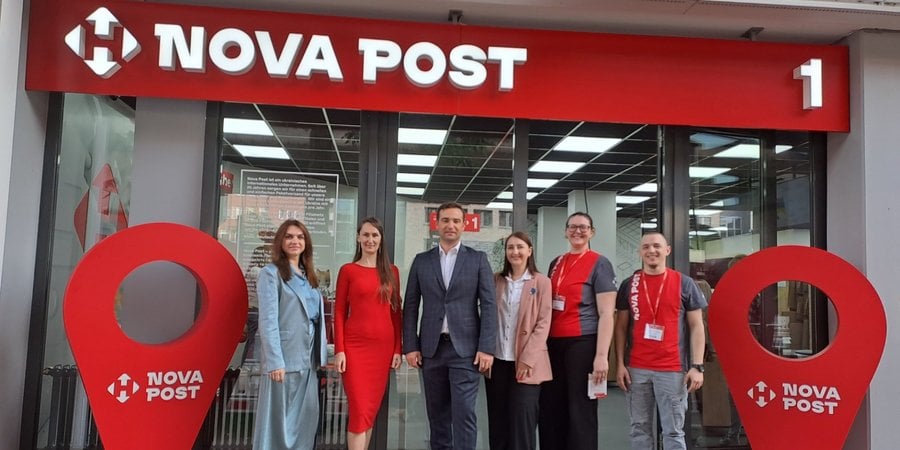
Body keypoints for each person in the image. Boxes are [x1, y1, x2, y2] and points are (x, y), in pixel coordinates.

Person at [403, 202, 498, 450]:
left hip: (466, 351)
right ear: (437, 223)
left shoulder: (478, 260)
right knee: (437, 417)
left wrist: (486, 348)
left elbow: (489, 306)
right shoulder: (421, 261)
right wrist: (410, 346)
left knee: (464, 415)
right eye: (445, 220)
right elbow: (410, 306)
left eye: (456, 221)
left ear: (464, 225)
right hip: (431, 350)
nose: (450, 225)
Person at [614, 231, 707, 450]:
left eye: (656, 246)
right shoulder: (630, 284)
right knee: (639, 428)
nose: (651, 250)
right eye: (646, 247)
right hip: (636, 369)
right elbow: (620, 327)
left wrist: (697, 366)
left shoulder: (684, 283)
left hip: (672, 370)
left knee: (673, 431)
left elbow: (697, 326)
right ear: (640, 252)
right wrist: (619, 364)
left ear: (667, 250)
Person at [538, 212, 618, 450]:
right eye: (572, 227)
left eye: (583, 227)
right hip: (553, 343)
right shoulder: (557, 262)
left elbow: (606, 313)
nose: (578, 231)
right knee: (551, 407)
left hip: (582, 342)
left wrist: (602, 356)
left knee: (580, 408)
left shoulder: (599, 263)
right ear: (565, 232)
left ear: (592, 232)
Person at [253, 219, 327, 450]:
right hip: (284, 361)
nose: (295, 241)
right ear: (280, 242)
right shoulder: (270, 274)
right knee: (277, 426)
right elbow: (268, 320)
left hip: (308, 360)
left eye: (300, 237)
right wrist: (275, 361)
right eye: (289, 236)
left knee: (304, 423)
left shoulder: (308, 276)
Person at [333, 217, 403, 450]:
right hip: (355, 348)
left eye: (375, 235)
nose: (370, 239)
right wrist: (340, 350)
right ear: (358, 238)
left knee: (369, 412)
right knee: (359, 410)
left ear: (381, 240)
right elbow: (339, 312)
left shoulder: (392, 272)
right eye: (366, 235)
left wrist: (397, 349)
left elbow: (396, 313)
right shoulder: (348, 270)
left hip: (382, 349)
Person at [485, 232, 553, 450]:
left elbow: (543, 323)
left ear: (529, 251)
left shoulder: (542, 282)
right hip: (498, 361)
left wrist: (527, 358)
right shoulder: (496, 280)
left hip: (526, 364)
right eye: (510, 247)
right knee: (498, 422)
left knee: (522, 422)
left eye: (520, 247)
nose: (515, 252)